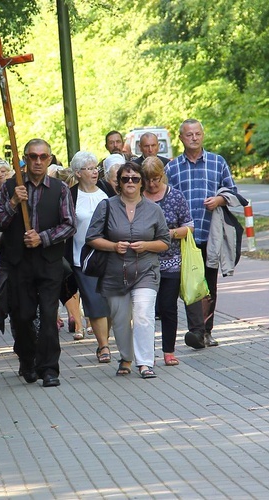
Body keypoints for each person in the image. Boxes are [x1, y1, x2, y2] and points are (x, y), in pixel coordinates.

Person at [0, 138, 76, 388]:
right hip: (19, 262)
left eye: (42, 157)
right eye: (32, 156)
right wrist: (13, 203)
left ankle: (49, 368)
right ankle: (27, 360)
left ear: (49, 159)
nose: (38, 161)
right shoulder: (10, 187)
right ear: (25, 160)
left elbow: (70, 224)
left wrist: (43, 237)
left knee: (49, 315)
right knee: (22, 315)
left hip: (49, 261)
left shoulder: (60, 189)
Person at [85, 162, 170, 378]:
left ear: (142, 183)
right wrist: (113, 246)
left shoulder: (153, 209)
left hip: (146, 270)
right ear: (118, 183)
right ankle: (126, 357)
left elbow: (165, 241)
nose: (130, 182)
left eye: (135, 179)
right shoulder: (107, 206)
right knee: (121, 319)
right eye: (125, 179)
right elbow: (92, 238)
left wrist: (146, 245)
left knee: (143, 315)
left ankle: (145, 363)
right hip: (115, 272)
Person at [165, 119, 239, 348]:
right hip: (184, 237)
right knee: (190, 283)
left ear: (203, 135)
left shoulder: (217, 162)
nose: (194, 138)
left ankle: (206, 331)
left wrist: (219, 199)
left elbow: (232, 191)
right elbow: (165, 197)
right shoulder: (173, 167)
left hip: (211, 233)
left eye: (197, 133)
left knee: (209, 284)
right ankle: (195, 331)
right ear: (181, 138)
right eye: (189, 135)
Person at [142, 156, 193, 366]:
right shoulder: (138, 197)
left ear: (162, 175)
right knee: (144, 309)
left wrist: (169, 234)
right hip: (144, 262)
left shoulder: (176, 197)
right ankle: (144, 352)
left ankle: (169, 351)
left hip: (171, 260)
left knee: (168, 307)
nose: (152, 184)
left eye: (156, 179)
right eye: (148, 180)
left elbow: (189, 227)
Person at [66, 151, 112, 361]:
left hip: (111, 255)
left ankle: (106, 339)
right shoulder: (70, 196)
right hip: (82, 258)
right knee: (94, 302)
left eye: (96, 168)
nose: (95, 172)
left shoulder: (106, 191)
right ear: (78, 173)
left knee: (110, 303)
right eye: (90, 169)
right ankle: (103, 346)